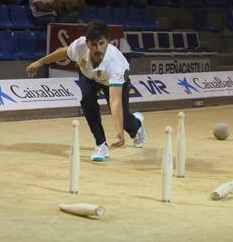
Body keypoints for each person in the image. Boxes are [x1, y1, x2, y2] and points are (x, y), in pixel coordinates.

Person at [26, 20, 146, 162]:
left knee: (123, 118)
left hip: (112, 82)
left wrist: (119, 132)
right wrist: (40, 62)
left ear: (108, 41)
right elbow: (64, 52)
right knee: (87, 101)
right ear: (87, 43)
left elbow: (115, 100)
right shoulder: (79, 46)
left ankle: (137, 126)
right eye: (93, 44)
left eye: (101, 43)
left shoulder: (116, 63)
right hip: (89, 76)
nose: (98, 49)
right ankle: (101, 145)